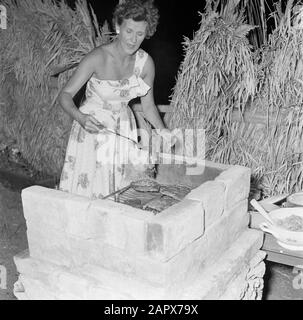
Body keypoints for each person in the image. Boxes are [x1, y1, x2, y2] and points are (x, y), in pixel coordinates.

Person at [58, 0, 175, 199]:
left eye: (140, 34)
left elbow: (148, 107)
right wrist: (80, 117)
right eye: (129, 31)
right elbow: (65, 95)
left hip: (122, 129)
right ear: (118, 27)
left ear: (147, 33)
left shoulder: (145, 64)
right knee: (88, 191)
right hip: (91, 127)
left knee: (118, 190)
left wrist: (164, 133)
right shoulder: (97, 58)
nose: (133, 39)